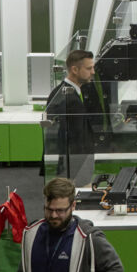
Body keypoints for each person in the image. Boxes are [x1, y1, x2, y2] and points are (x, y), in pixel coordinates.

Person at [18, 177, 123, 272]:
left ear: (73, 206)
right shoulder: (31, 234)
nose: (53, 215)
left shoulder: (87, 237)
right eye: (49, 209)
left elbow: (115, 269)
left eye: (60, 210)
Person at [45, 50, 105, 181]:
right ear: (75, 70)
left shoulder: (65, 92)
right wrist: (81, 178)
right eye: (89, 68)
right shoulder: (70, 100)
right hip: (75, 170)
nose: (93, 72)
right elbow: (75, 143)